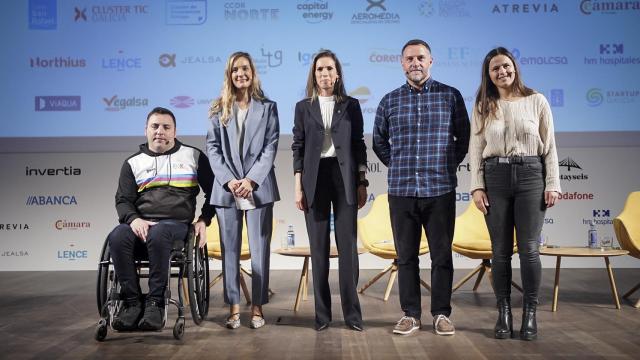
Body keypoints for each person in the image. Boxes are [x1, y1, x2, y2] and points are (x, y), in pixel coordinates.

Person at [373, 39, 470, 336]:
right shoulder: (389, 100)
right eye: (409, 59)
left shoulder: (450, 96)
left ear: (431, 61)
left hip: (439, 190)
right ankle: (411, 315)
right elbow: (378, 142)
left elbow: (463, 139)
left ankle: (441, 313)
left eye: (421, 58)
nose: (415, 63)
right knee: (406, 257)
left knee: (441, 255)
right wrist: (400, 164)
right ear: (402, 63)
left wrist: (444, 165)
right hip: (402, 191)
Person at [469, 47, 560, 341]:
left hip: (532, 175)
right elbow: (475, 149)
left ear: (515, 68)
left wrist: (553, 184)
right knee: (500, 252)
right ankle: (503, 313)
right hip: (495, 177)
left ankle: (530, 314)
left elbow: (550, 146)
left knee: (530, 249)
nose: (502, 72)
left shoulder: (537, 101)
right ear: (488, 74)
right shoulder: (484, 104)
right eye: (495, 68)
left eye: (506, 66)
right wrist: (477, 185)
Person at [108, 106, 215, 331]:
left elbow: (215, 192)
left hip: (176, 226)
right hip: (141, 223)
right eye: (155, 126)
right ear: (146, 130)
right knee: (117, 236)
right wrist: (134, 219)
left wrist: (204, 220)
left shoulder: (193, 156)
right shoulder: (132, 163)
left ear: (175, 131)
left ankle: (156, 303)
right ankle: (132, 303)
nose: (160, 131)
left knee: (159, 233)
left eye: (166, 127)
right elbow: (123, 200)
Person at [292, 50, 368, 332]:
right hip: (314, 179)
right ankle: (322, 316)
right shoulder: (302, 107)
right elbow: (297, 147)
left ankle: (353, 316)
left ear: (337, 74)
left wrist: (362, 181)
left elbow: (359, 144)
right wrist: (298, 186)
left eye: (329, 69)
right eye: (319, 69)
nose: (324, 74)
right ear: (314, 75)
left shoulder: (351, 105)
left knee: (347, 249)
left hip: (344, 176)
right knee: (319, 249)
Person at [206, 51, 280, 330]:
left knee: (260, 251)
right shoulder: (217, 108)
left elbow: (271, 146)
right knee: (230, 251)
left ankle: (258, 307)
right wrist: (230, 181)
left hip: (258, 189)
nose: (241, 74)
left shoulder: (268, 107)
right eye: (236, 69)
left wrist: (250, 181)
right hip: (227, 190)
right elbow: (212, 149)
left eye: (245, 68)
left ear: (253, 72)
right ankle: (235, 308)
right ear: (229, 74)